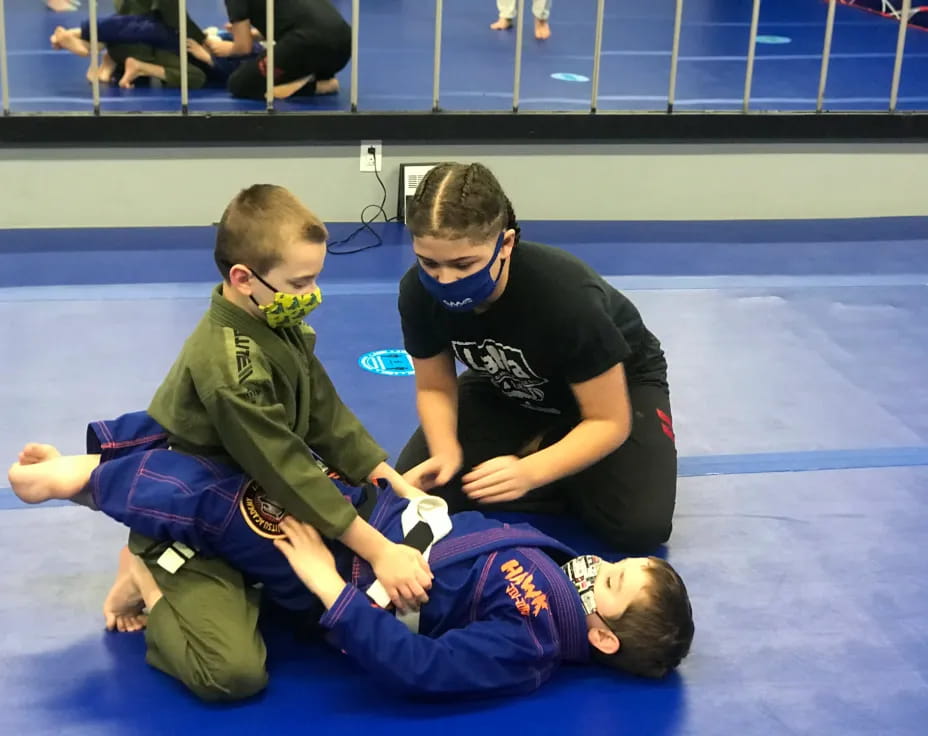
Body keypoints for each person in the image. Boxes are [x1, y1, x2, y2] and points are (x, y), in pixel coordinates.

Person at [5, 184, 433, 703]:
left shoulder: (277, 317)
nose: (313, 293)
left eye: (316, 277)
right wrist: (380, 548)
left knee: (316, 590)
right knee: (232, 674)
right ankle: (150, 569)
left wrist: (377, 470)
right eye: (300, 282)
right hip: (200, 508)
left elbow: (323, 410)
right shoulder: (230, 366)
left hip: (245, 498)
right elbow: (284, 466)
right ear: (243, 279)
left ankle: (203, 559)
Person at [8, 410, 694, 698]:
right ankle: (122, 446)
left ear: (600, 636)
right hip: (381, 522)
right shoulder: (555, 566)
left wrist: (326, 586)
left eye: (614, 583)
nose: (602, 566)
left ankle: (94, 483)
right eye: (620, 562)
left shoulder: (533, 644)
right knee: (270, 441)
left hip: (351, 576)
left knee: (243, 512)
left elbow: (423, 667)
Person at [395, 162, 677, 554]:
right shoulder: (417, 292)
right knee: (416, 492)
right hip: (508, 380)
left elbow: (609, 420)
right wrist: (445, 449)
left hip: (613, 390)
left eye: (464, 265)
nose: (445, 281)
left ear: (505, 244)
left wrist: (531, 471)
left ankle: (554, 451)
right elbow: (434, 385)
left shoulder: (566, 298)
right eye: (429, 263)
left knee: (640, 524)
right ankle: (547, 451)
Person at [208, 0, 350, 100]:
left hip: (308, 44)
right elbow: (289, 18)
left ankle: (318, 86)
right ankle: (306, 75)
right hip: (343, 47)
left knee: (240, 84)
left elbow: (243, 48)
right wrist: (252, 35)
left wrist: (225, 48)